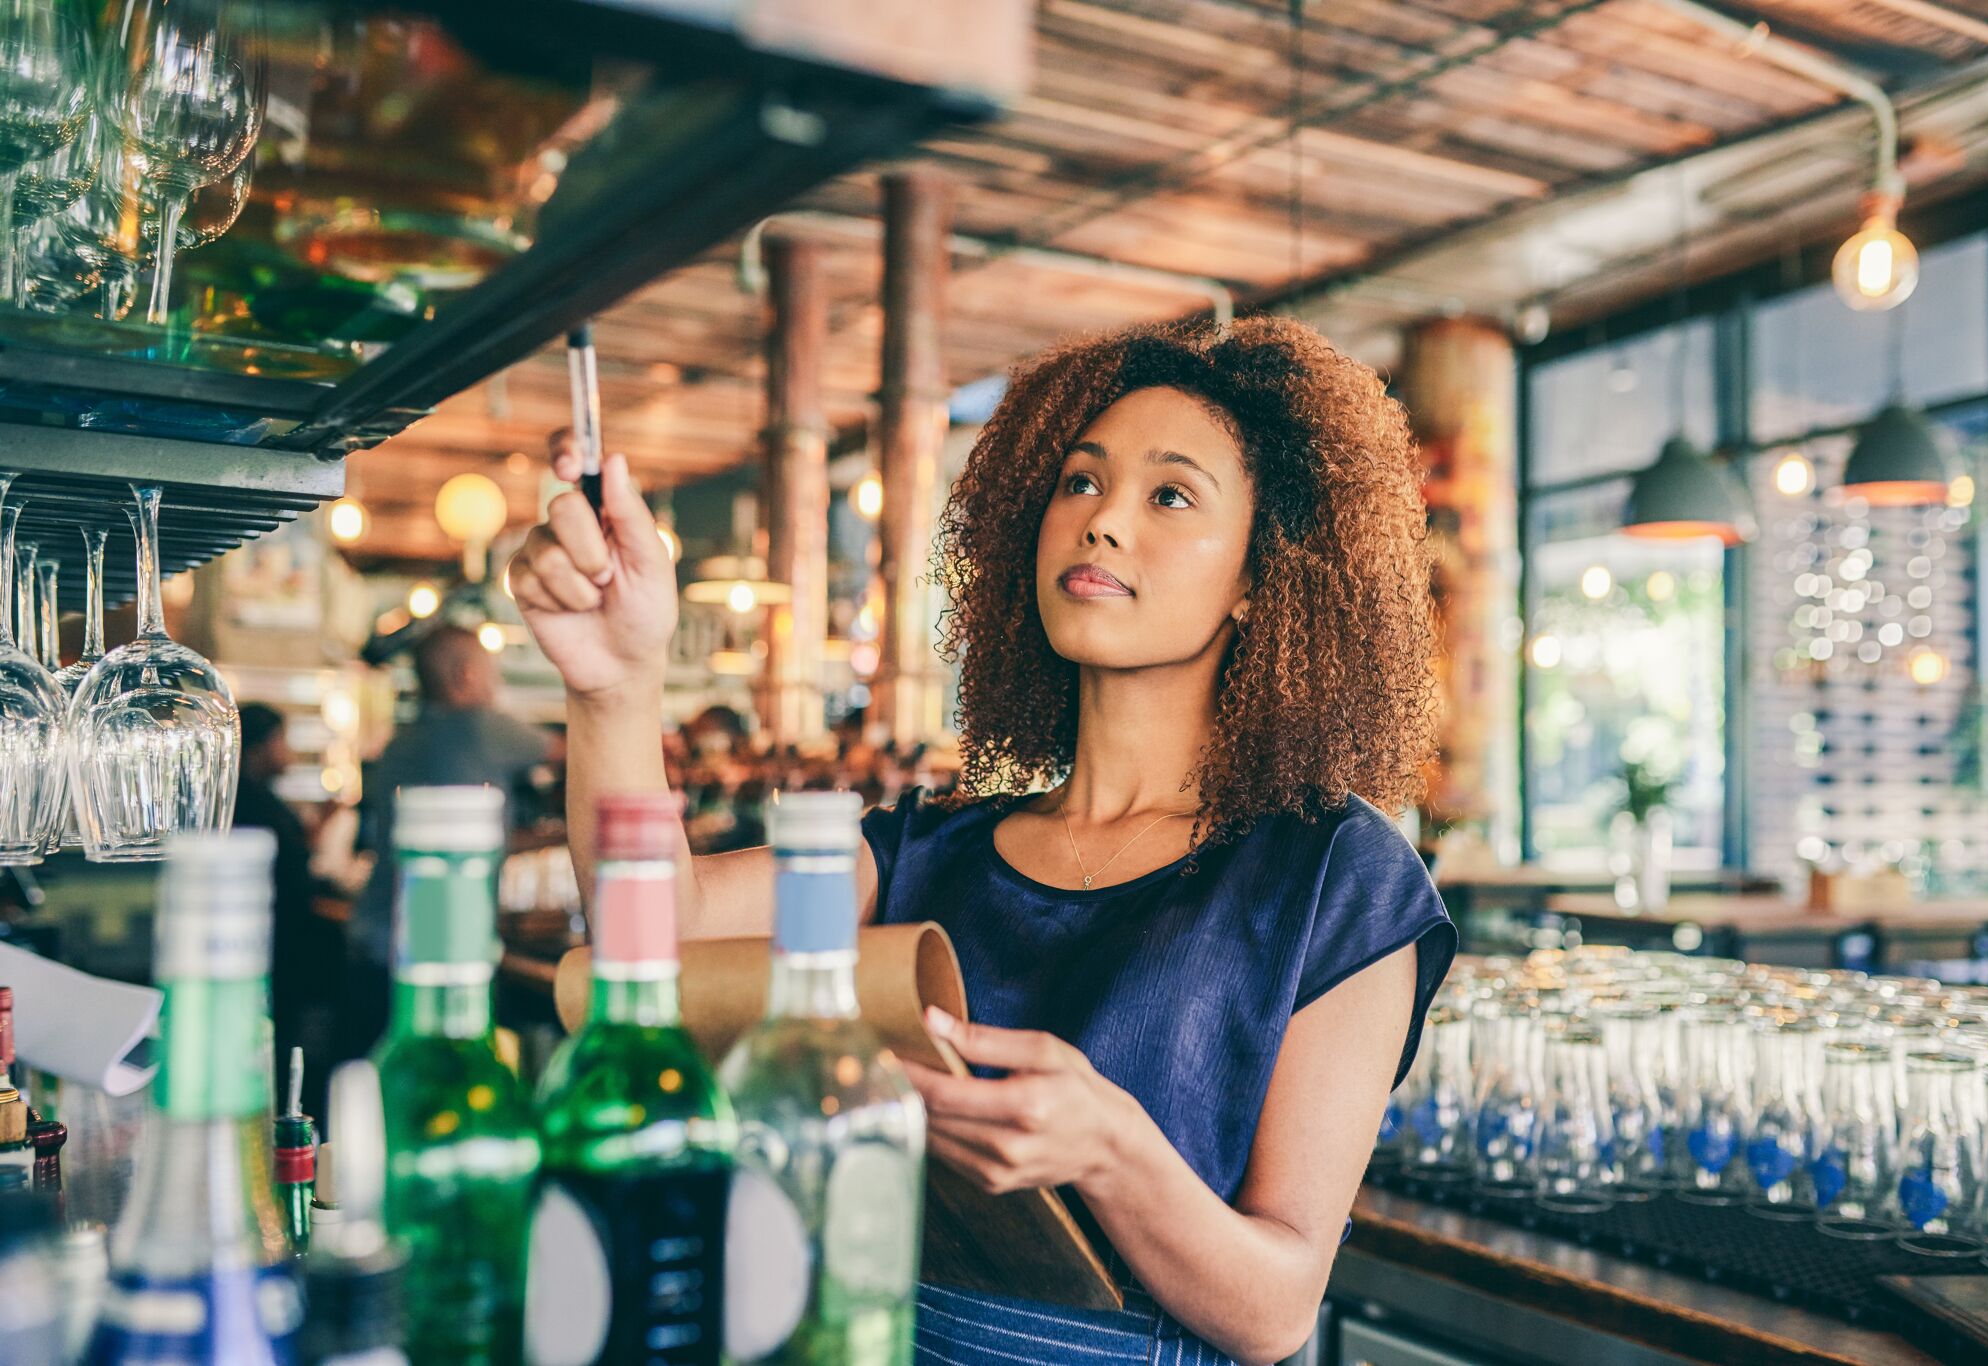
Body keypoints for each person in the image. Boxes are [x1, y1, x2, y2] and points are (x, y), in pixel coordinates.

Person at [509, 317, 1456, 1364]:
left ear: (1257, 578)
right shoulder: (928, 850)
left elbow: (1277, 1310)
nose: (1100, 523)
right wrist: (613, 684)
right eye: (1079, 482)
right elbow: (657, 930)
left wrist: (1108, 1149)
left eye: (1169, 494)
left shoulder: (1335, 875)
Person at [345, 625, 549, 1053]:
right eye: (490, 668)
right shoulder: (481, 727)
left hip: (373, 935)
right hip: (437, 948)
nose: (497, 681)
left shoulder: (401, 740)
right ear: (468, 675)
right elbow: (571, 749)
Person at [233, 703, 329, 1106]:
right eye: (281, 741)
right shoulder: (252, 802)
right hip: (273, 949)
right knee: (275, 1048)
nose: (287, 752)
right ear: (261, 745)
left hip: (269, 947)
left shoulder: (243, 796)